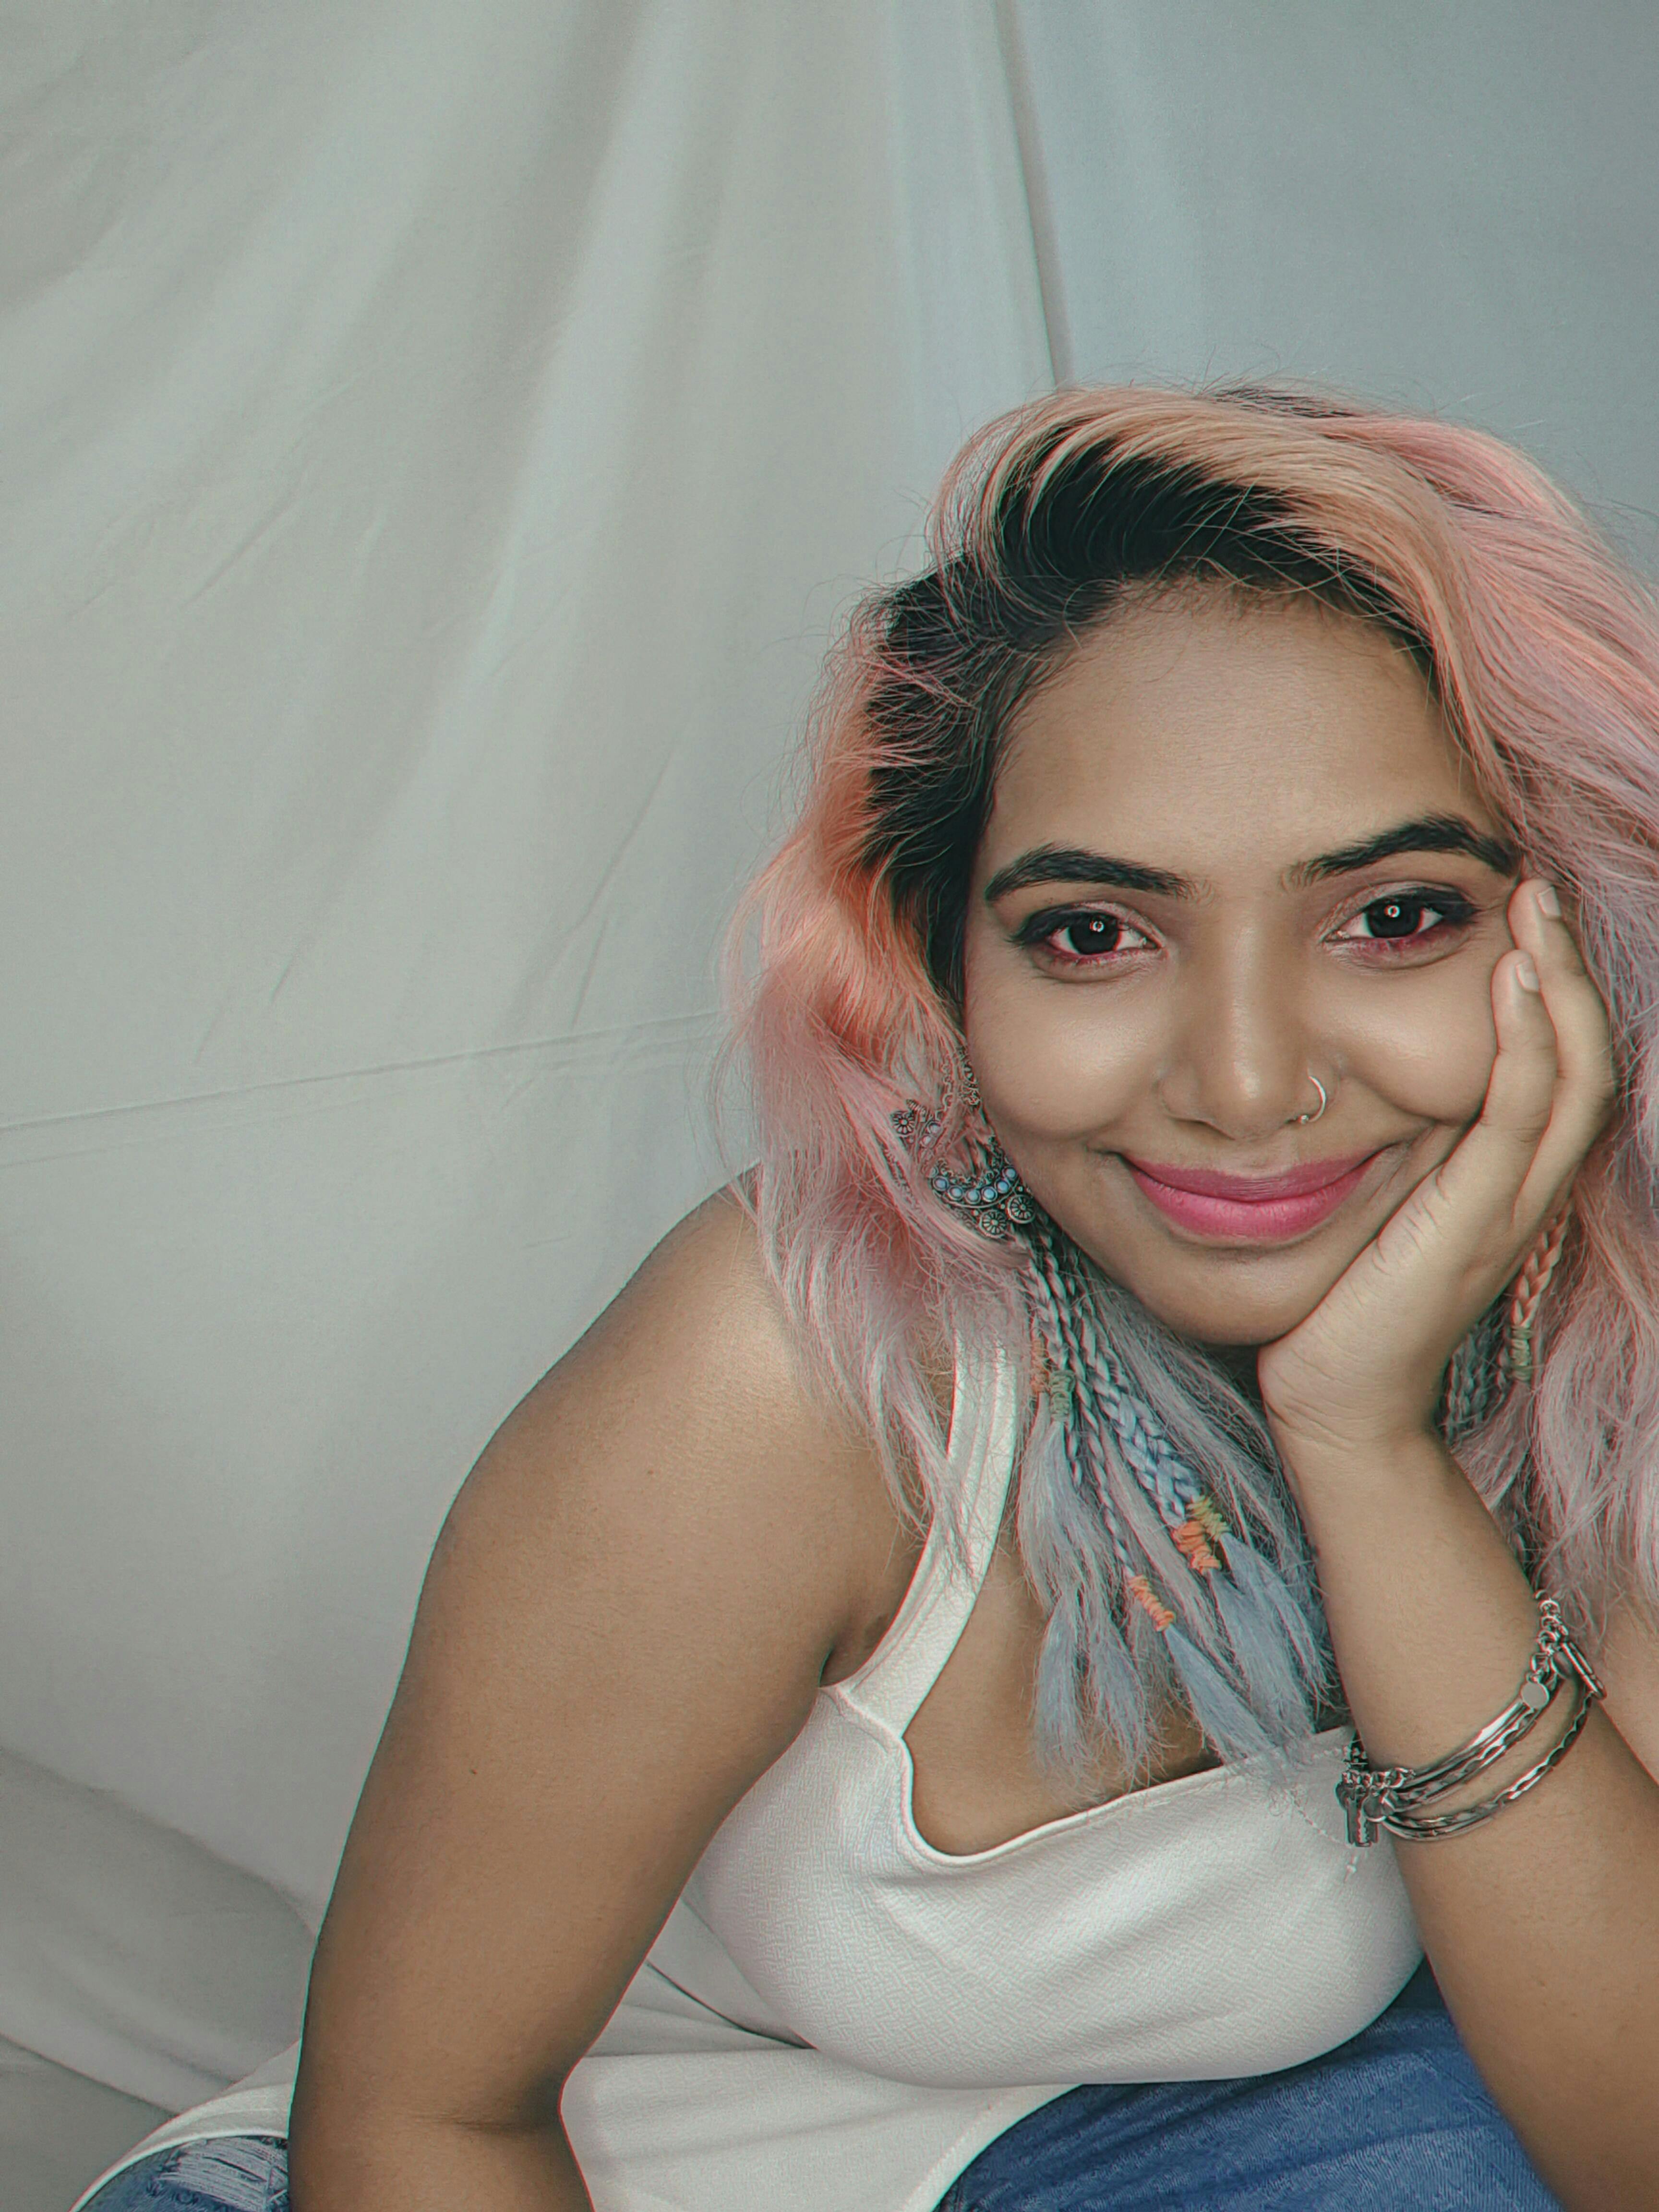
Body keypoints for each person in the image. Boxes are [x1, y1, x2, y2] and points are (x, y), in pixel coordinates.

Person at [83, 386, 1659, 2212]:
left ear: (1575, 921)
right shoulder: (790, 1374)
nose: (1246, 1082)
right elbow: (426, 2120)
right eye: (1094, 933)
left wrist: (1364, 1439)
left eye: (1393, 916)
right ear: (939, 965)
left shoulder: (1597, 1332)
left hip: (1114, 2148)